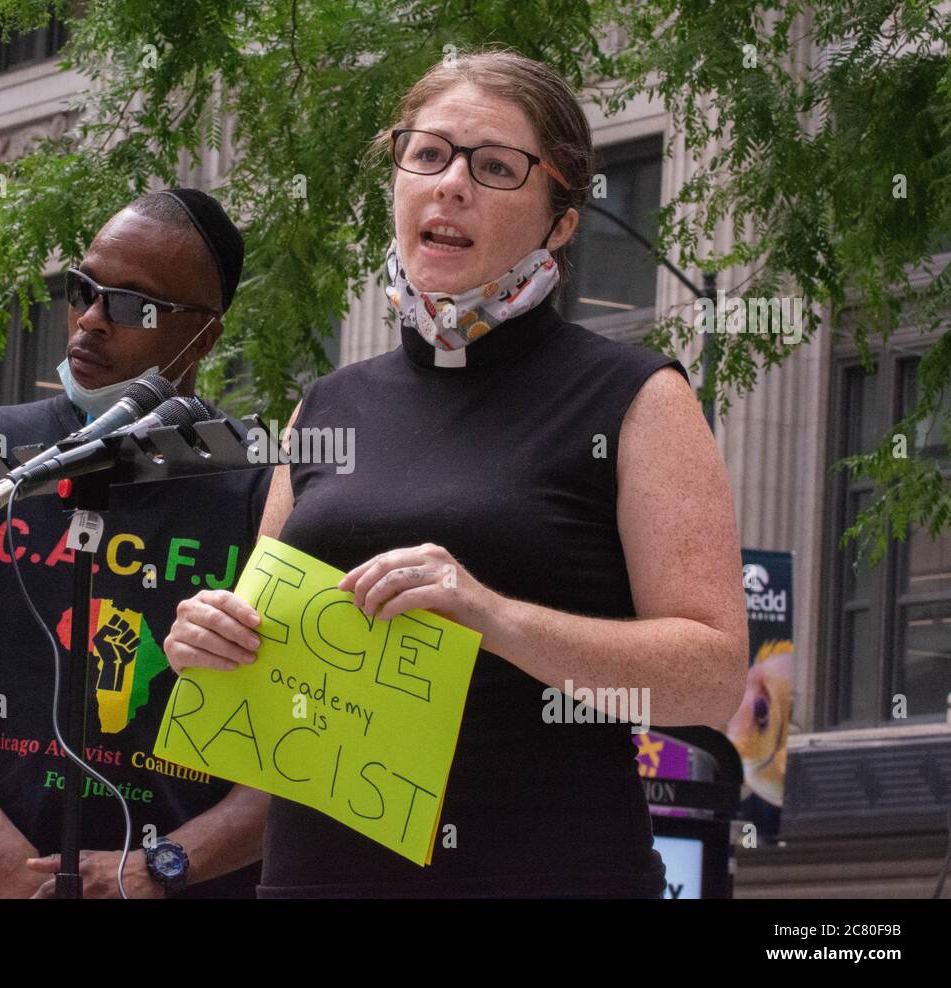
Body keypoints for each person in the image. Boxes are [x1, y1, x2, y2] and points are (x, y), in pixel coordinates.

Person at [164, 50, 748, 898]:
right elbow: (267, 670)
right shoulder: (324, 407)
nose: (451, 184)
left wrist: (491, 615)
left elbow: (713, 680)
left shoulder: (635, 397)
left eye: (497, 167)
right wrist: (211, 645)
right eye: (427, 154)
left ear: (560, 220)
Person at [0, 188, 271, 898]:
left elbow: (300, 744)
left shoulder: (261, 489)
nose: (92, 320)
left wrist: (159, 868)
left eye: (133, 305)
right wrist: (3, 857)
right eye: (83, 291)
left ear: (204, 336)